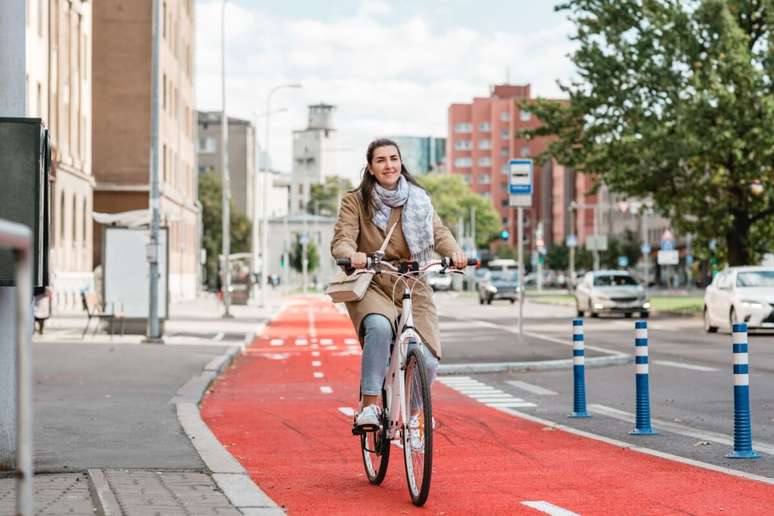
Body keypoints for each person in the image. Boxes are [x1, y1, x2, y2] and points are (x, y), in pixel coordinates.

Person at [331, 138, 466, 430]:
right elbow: (343, 236)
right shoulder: (355, 200)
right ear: (370, 167)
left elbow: (438, 232)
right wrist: (349, 255)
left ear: (401, 162)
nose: (389, 165)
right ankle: (369, 406)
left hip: (412, 283)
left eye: (394, 158)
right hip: (373, 281)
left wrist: (454, 253)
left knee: (427, 359)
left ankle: (413, 417)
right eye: (381, 160)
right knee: (379, 328)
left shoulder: (418, 198)